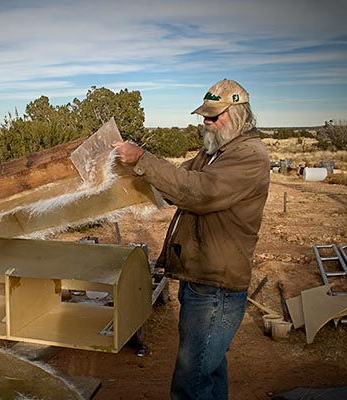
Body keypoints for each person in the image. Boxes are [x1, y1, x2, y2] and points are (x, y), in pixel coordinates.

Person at [112, 79, 270, 400]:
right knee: (208, 369)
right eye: (204, 116)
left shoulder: (248, 157)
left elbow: (196, 192)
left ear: (239, 114)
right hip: (200, 278)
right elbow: (179, 181)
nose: (206, 122)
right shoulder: (216, 150)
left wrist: (142, 159)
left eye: (214, 116)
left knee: (192, 379)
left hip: (216, 285)